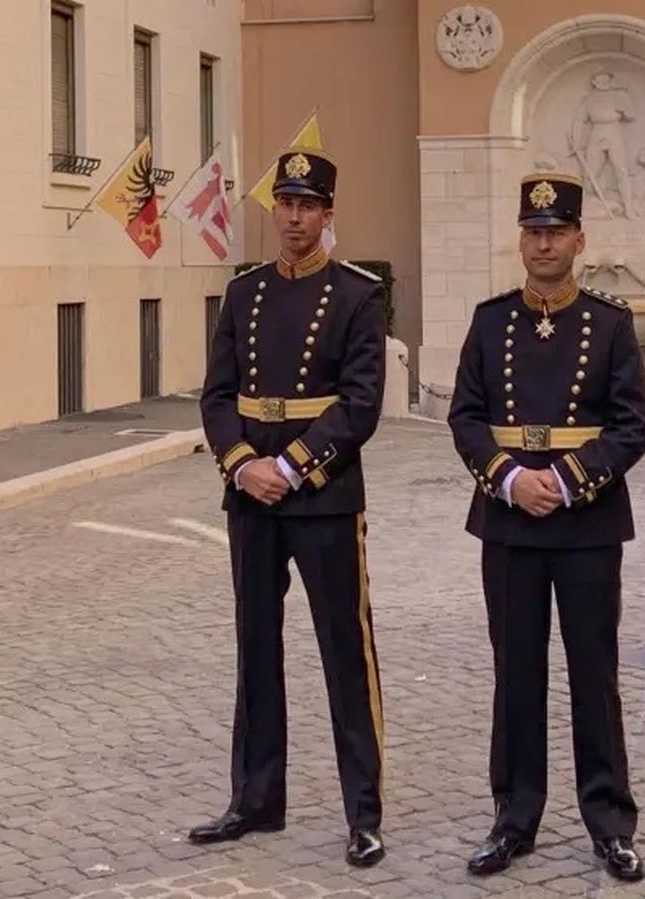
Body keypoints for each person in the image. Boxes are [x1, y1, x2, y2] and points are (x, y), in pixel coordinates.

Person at [447, 172, 645, 882]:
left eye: (555, 231)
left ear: (578, 240)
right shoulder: (490, 320)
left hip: (587, 522)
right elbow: (465, 416)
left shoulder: (610, 323)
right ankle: (514, 816)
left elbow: (633, 427)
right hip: (509, 523)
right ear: (522, 240)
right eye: (533, 232)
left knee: (595, 675)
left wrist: (563, 480)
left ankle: (610, 820)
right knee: (516, 673)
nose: (543, 244)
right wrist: (510, 477)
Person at [194, 146, 389, 868]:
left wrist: (293, 464)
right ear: (273, 208)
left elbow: (361, 403)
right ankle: (254, 798)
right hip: (252, 497)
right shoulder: (244, 293)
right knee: (256, 647)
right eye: (286, 204)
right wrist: (244, 464)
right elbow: (217, 394)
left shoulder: (356, 294)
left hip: (324, 496)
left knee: (346, 652)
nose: (295, 217)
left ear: (328, 213)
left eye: (309, 205)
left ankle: (363, 811)